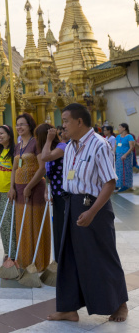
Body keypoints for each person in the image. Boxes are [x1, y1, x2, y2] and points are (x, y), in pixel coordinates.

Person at [48, 103, 128, 323]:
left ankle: (120, 303)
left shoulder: (99, 145)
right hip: (72, 204)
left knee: (102, 256)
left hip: (94, 207)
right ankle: (68, 308)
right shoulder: (71, 146)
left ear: (79, 122)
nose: (62, 125)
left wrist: (92, 211)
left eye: (65, 121)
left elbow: (109, 183)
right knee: (69, 257)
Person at [8, 113, 50, 271]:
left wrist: (29, 187)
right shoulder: (18, 146)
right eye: (17, 124)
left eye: (22, 124)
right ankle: (24, 261)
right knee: (22, 226)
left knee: (35, 224)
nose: (19, 127)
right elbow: (14, 169)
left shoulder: (36, 143)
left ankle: (38, 263)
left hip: (34, 189)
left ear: (30, 126)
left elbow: (42, 168)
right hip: (19, 190)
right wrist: (12, 187)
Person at [38, 124, 66, 262]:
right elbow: (47, 173)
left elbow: (45, 158)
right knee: (57, 227)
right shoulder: (48, 148)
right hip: (55, 193)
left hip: (64, 193)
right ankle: (58, 261)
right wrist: (46, 190)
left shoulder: (61, 147)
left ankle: (63, 260)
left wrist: (49, 140)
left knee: (62, 227)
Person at [0, 125, 16, 261]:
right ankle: (8, 251)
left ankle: (14, 253)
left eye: (2, 134)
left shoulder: (15, 152)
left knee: (11, 224)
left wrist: (12, 188)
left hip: (10, 193)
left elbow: (15, 172)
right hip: (0, 192)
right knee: (3, 224)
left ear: (9, 135)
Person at [115, 123, 135, 192]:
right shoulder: (118, 137)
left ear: (124, 128)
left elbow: (132, 147)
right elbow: (115, 146)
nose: (118, 129)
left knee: (126, 170)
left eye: (120, 127)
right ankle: (119, 184)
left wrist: (125, 155)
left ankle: (127, 185)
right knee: (119, 170)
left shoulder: (129, 136)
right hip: (118, 155)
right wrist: (113, 154)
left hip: (126, 156)